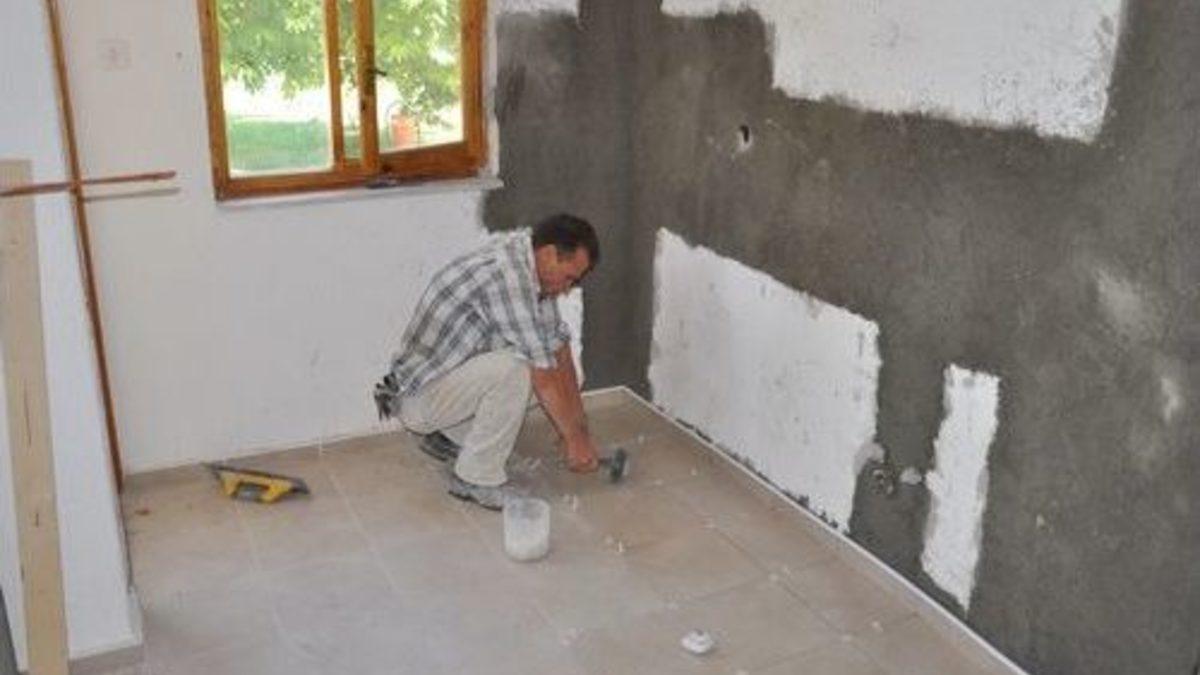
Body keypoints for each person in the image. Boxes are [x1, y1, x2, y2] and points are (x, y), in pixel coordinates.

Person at [373, 213, 603, 510]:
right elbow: (541, 373)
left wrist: (578, 429)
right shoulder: (507, 277)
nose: (569, 288)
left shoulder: (536, 272)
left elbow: (558, 350)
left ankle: (450, 435)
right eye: (569, 277)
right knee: (518, 370)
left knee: (567, 373)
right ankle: (475, 479)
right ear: (548, 254)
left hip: (449, 382)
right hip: (419, 395)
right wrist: (573, 439)